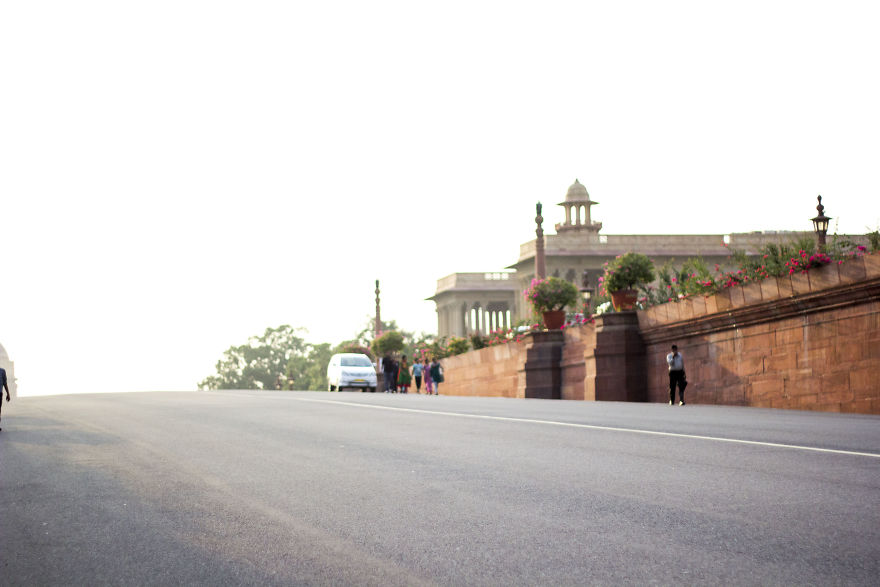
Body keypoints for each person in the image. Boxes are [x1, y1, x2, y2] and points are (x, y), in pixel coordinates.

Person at [0, 366, 10, 432]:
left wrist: (8, 394)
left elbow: (5, 383)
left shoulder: (2, 371)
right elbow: (5, 383)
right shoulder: (2, 371)